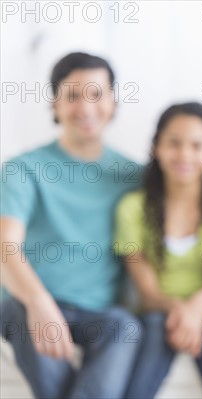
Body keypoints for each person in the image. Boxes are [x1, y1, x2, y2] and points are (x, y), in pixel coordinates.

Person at [0, 52, 142, 398]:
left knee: (125, 326)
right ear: (55, 104)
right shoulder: (23, 169)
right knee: (18, 310)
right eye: (73, 96)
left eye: (96, 94)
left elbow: (188, 197)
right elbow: (6, 246)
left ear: (113, 101)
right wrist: (38, 303)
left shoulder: (135, 177)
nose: (86, 107)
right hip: (27, 303)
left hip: (98, 314)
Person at [115, 102, 202, 398]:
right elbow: (147, 292)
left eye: (197, 145)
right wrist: (180, 311)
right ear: (156, 148)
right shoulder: (132, 208)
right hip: (159, 310)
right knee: (155, 325)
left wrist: (197, 308)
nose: (185, 154)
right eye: (173, 143)